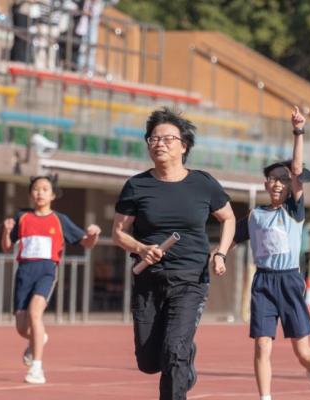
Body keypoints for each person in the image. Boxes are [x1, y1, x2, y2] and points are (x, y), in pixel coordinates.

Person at [112, 107, 235, 400]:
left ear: (184, 145)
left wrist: (220, 253)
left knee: (173, 351)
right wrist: (141, 248)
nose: (160, 144)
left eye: (168, 139)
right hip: (149, 280)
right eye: (153, 139)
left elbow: (228, 218)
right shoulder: (137, 185)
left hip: (190, 279)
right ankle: (186, 359)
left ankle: (181, 357)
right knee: (149, 361)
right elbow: (118, 233)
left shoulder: (203, 183)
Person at [230, 107, 310, 400]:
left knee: (302, 351)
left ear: (290, 186)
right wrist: (217, 255)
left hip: (289, 281)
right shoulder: (254, 216)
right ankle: (265, 397)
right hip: (263, 282)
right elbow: (230, 237)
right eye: (273, 178)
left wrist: (298, 131)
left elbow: (297, 169)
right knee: (262, 344)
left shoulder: (293, 211)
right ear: (266, 183)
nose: (277, 183)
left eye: (283, 179)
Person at [1, 174, 101, 385]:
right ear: (31, 194)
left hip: (46, 272)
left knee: (35, 313)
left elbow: (86, 243)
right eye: (36, 189)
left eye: (45, 189)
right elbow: (7, 247)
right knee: (22, 328)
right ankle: (38, 339)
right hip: (24, 273)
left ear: (53, 195)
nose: (40, 193)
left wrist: (94, 235)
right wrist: (6, 231)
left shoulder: (60, 219)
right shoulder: (22, 217)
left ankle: (37, 367)